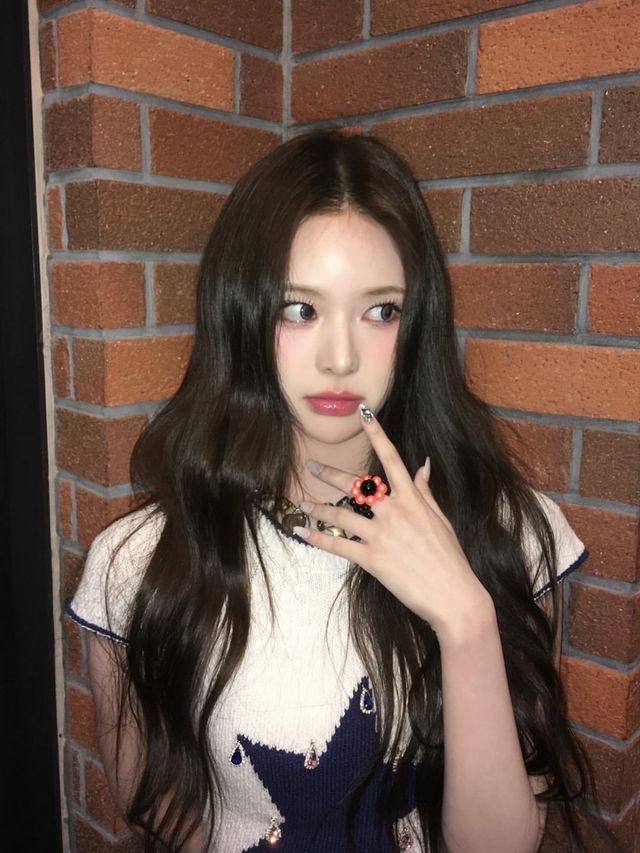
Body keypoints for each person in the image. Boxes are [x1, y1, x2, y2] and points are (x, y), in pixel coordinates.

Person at [65, 129, 615, 853]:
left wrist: (466, 619)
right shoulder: (137, 565)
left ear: (417, 324)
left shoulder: (506, 530)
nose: (341, 357)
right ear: (241, 315)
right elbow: (163, 818)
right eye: (300, 309)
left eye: (380, 310)